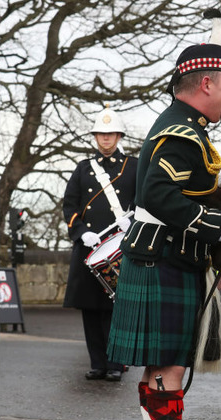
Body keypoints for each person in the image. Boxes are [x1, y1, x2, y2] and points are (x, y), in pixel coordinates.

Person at [106, 38, 221, 420]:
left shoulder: (183, 125)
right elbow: (158, 195)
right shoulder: (179, 132)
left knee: (160, 368)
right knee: (169, 368)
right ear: (206, 83)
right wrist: (219, 225)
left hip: (160, 254)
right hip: (166, 256)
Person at [62, 105, 137, 382]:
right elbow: (69, 206)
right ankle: (97, 363)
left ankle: (116, 364)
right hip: (89, 247)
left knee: (115, 308)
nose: (105, 140)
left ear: (119, 137)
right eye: (101, 135)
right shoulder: (83, 169)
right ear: (95, 137)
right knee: (90, 308)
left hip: (119, 247)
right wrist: (81, 232)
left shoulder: (134, 166)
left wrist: (134, 224)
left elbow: (143, 202)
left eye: (111, 135)